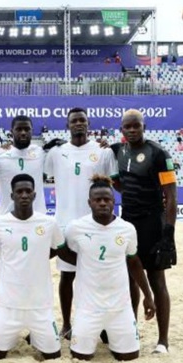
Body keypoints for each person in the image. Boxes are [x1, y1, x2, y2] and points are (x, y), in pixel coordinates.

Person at [44, 108, 118, 339]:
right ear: (67, 126)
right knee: (67, 276)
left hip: (96, 225)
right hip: (65, 224)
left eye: (82, 121)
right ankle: (66, 323)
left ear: (89, 124)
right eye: (74, 121)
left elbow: (113, 182)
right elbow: (44, 173)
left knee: (99, 276)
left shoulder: (103, 151)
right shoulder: (56, 153)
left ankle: (103, 324)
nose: (78, 124)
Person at [65, 175, 156, 361]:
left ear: (114, 201)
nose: (103, 203)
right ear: (89, 202)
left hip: (120, 308)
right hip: (88, 308)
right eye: (97, 200)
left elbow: (134, 263)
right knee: (80, 357)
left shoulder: (127, 229)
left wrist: (148, 295)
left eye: (107, 199)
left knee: (130, 356)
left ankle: (115, 337)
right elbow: (66, 253)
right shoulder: (75, 228)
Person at [110, 109, 177, 354]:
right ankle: (132, 330)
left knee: (157, 279)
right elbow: (122, 184)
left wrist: (168, 232)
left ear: (143, 126)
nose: (132, 130)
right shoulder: (118, 151)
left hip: (153, 224)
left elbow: (171, 196)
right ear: (121, 130)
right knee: (130, 280)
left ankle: (163, 341)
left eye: (136, 126)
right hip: (128, 223)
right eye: (127, 127)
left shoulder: (159, 154)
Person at [0, 174, 69, 360]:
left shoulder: (49, 223)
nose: (24, 195)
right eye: (19, 192)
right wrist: (3, 267)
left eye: (28, 191)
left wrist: (36, 258)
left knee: (53, 356)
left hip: (40, 305)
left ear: (35, 195)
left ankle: (37, 337)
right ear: (12, 195)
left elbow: (60, 251)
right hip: (9, 305)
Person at [0, 115, 47, 214]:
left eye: (27, 129)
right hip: (8, 218)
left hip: (38, 217)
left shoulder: (40, 152)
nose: (23, 133)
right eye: (19, 129)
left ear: (32, 131)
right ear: (11, 132)